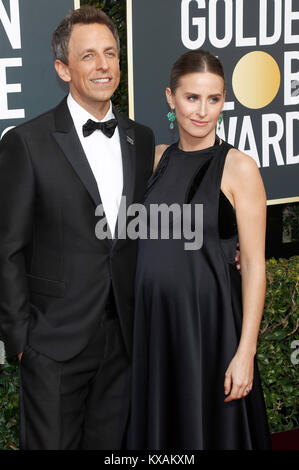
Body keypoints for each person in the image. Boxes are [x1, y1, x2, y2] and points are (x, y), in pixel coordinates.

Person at [0, 6, 154, 450]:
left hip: (122, 340)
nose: (103, 65)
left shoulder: (139, 139)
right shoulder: (26, 143)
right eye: (88, 56)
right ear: (62, 68)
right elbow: (7, 247)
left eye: (110, 53)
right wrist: (22, 339)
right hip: (52, 344)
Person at [128, 49, 272, 449]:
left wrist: (246, 353)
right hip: (156, 333)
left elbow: (256, 267)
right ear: (170, 98)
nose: (202, 111)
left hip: (211, 335)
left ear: (224, 100)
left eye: (214, 99)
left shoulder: (240, 168)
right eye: (192, 98)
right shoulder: (151, 162)